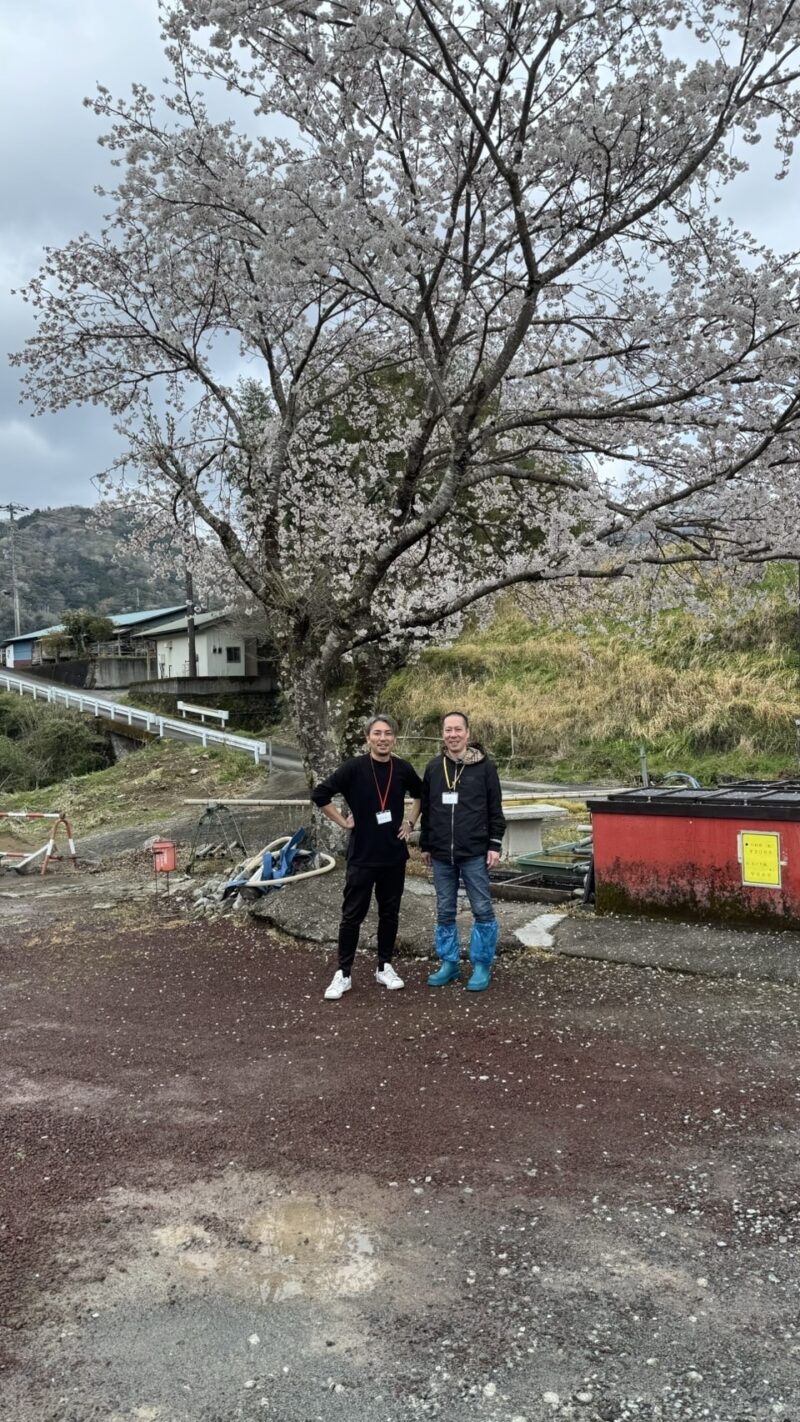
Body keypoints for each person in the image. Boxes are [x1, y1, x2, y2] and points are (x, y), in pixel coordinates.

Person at [312, 714, 422, 1001]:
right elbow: (320, 794)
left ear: (394, 738)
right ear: (368, 738)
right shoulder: (354, 768)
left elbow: (422, 794)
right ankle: (343, 973)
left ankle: (384, 966)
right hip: (361, 855)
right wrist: (343, 822)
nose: (382, 738)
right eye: (377, 733)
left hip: (393, 855)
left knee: (389, 913)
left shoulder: (402, 768)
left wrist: (409, 823)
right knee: (352, 916)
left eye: (388, 733)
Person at [420, 710, 506, 992]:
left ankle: (481, 965)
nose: (453, 735)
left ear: (468, 734)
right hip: (442, 853)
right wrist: (426, 845)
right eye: (448, 730)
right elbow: (429, 811)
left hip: (474, 852)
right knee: (445, 909)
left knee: (482, 908)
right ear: (442, 734)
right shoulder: (434, 767)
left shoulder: (485, 767)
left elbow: (495, 808)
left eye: (458, 729)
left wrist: (494, 843)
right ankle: (449, 962)